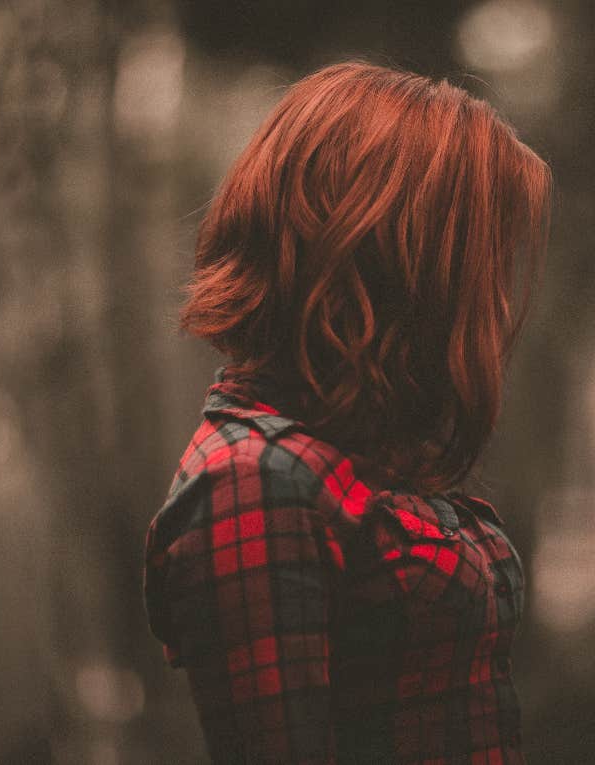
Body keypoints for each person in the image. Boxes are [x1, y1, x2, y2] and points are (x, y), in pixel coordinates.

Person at [142, 60, 552, 764]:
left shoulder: (362, 454)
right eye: (475, 263)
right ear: (395, 260)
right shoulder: (252, 482)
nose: (495, 301)